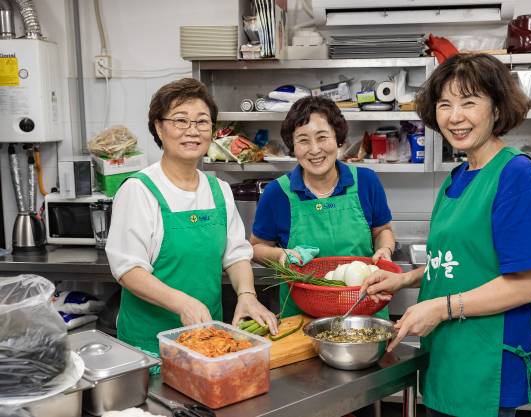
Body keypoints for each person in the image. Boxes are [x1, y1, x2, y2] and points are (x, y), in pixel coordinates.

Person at [361, 53, 531, 417]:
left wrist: (440, 308)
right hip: (450, 352)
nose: (454, 116)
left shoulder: (515, 175)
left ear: (497, 109)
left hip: (486, 359)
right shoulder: (459, 176)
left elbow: (530, 285)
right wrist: (403, 280)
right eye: (444, 104)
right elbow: (458, 263)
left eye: (469, 102)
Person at [106, 78, 277, 354]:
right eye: (180, 120)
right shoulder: (140, 190)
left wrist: (246, 294)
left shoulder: (219, 190)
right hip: (150, 347)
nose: (192, 131)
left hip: (208, 340)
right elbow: (128, 270)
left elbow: (235, 255)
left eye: (202, 122)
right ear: (159, 128)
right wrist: (181, 303)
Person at [250, 96, 396, 318]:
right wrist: (281, 256)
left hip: (363, 309)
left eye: (322, 137)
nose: (315, 149)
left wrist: (385, 250)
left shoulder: (366, 181)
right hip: (302, 315)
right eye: (303, 140)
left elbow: (383, 230)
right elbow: (257, 248)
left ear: (338, 139)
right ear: (293, 146)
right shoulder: (277, 193)